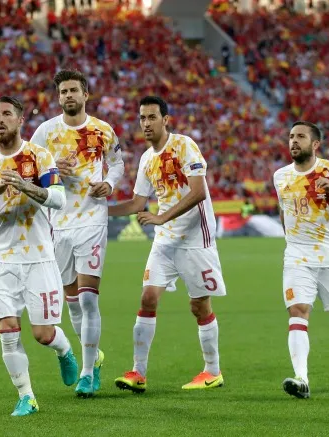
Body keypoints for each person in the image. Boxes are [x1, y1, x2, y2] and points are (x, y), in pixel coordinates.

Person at [0, 96, 77, 417]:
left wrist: (26, 186)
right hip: (2, 258)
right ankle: (26, 395)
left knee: (43, 334)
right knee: (8, 329)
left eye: (6, 114)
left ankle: (64, 350)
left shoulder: (39, 156)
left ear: (20, 120)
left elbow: (58, 198)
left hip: (39, 256)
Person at [108, 96, 227, 393]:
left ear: (166, 120)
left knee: (198, 305)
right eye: (142, 118)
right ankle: (138, 372)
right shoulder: (147, 159)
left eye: (151, 117)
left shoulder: (184, 146)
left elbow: (198, 192)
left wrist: (161, 217)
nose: (146, 123)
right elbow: (137, 203)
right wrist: (99, 209)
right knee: (148, 298)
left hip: (196, 238)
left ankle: (213, 371)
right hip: (165, 240)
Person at [29, 69, 124, 397]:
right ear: (58, 97)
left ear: (86, 95)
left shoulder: (102, 130)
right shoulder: (45, 132)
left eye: (73, 90)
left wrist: (110, 183)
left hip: (92, 220)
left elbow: (119, 163)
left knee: (87, 298)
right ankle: (93, 357)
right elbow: (28, 172)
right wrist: (51, 171)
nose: (68, 96)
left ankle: (86, 373)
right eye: (63, 92)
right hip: (58, 222)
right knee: (71, 303)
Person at [273, 121, 329, 398]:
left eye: (300, 136)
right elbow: (283, 211)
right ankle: (302, 379)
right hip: (297, 255)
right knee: (298, 311)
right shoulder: (280, 176)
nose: (293, 141)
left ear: (315, 144)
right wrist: (291, 241)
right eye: (291, 137)